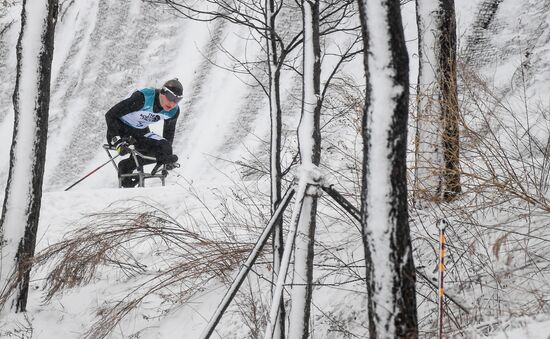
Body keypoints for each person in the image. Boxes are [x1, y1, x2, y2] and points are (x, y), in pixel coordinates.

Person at [105, 79, 183, 187]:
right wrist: (117, 141)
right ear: (162, 92)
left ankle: (127, 165)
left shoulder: (173, 111)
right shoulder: (142, 98)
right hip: (120, 127)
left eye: (177, 100)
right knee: (124, 141)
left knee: (165, 148)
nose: (172, 103)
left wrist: (166, 156)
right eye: (170, 97)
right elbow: (110, 115)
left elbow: (168, 136)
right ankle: (127, 167)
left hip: (139, 131)